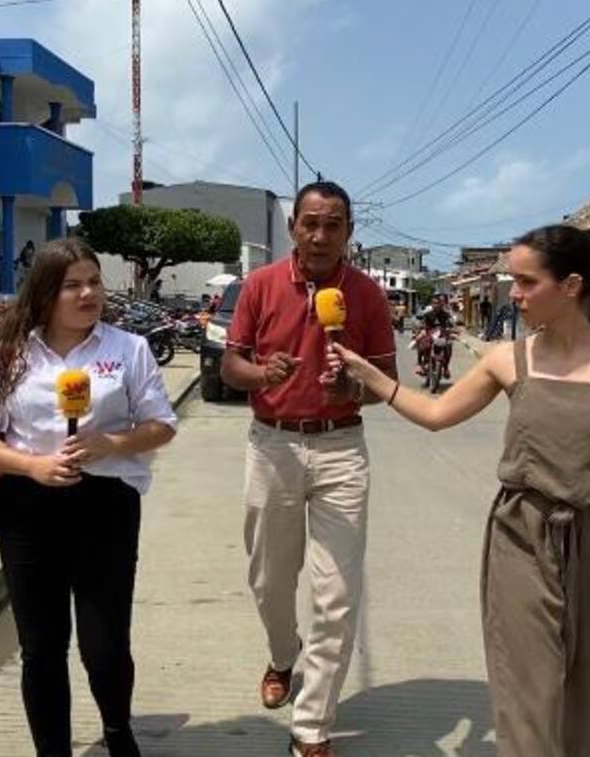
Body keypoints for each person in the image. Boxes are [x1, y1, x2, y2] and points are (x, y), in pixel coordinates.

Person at [327, 225, 590, 757]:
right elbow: (437, 413)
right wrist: (370, 377)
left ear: (571, 286)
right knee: (526, 696)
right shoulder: (507, 359)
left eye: (526, 282)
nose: (514, 293)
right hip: (521, 538)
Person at [0, 238, 178, 757]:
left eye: (94, 282)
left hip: (106, 508)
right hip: (28, 510)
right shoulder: (9, 353)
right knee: (41, 646)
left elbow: (162, 425)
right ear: (45, 294)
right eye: (72, 285)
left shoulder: (129, 349)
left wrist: (110, 443)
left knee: (105, 643)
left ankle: (117, 730)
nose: (88, 294)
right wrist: (32, 465)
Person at [221, 180, 398, 757]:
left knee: (336, 593)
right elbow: (229, 365)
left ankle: (311, 727)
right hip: (271, 444)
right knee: (270, 579)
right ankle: (282, 654)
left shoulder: (367, 295)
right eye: (311, 223)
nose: (321, 236)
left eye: (333, 225)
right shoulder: (260, 285)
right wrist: (260, 374)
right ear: (293, 227)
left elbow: (384, 382)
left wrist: (352, 387)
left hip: (341, 448)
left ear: (349, 232)